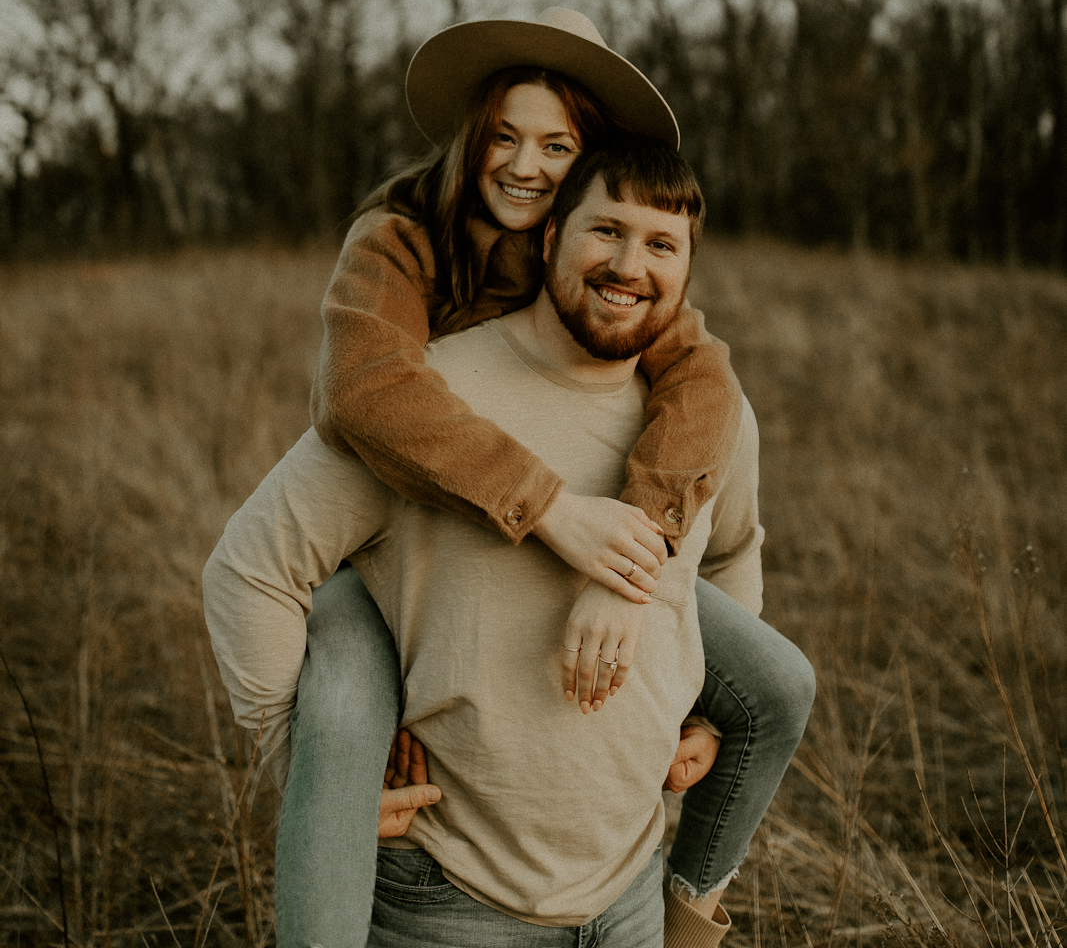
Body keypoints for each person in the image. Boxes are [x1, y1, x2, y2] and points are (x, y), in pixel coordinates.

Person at [205, 134, 816, 948]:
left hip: (628, 893)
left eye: (661, 245)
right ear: (552, 234)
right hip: (449, 904)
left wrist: (705, 715)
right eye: (606, 230)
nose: (629, 266)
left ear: (687, 268)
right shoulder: (426, 401)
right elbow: (249, 571)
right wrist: (317, 777)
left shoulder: (707, 423)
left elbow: (734, 551)